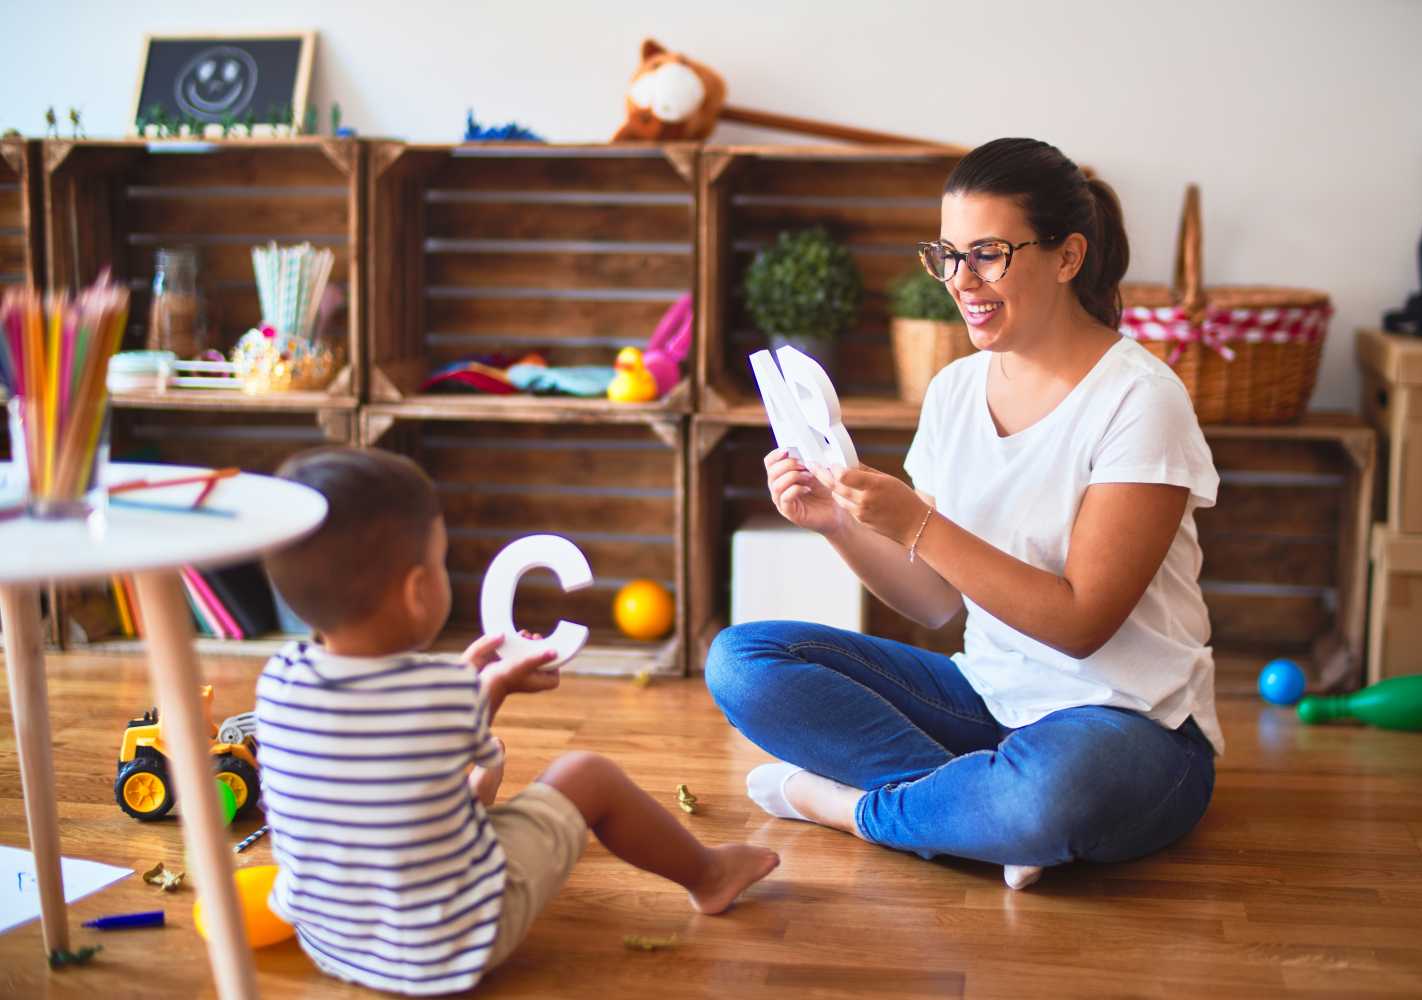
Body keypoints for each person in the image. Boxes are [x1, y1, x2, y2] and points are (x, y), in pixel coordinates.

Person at [706, 137, 1221, 892]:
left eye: (986, 254)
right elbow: (936, 601)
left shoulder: (1141, 400)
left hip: (1128, 725)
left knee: (1053, 793)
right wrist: (841, 526)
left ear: (1068, 256)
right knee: (743, 664)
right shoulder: (953, 391)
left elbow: (1082, 624)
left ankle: (855, 809)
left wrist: (916, 522)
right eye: (946, 255)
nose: (961, 281)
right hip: (987, 697)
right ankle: (979, 813)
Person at [259, 447, 778, 995]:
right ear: (417, 591)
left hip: (328, 941)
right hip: (450, 947)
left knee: (467, 779)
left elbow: (399, 731)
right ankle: (709, 876)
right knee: (585, 775)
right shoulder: (444, 694)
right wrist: (493, 684)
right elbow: (445, 722)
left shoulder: (279, 680)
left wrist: (482, 683)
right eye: (440, 561)